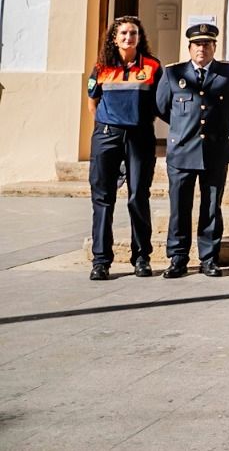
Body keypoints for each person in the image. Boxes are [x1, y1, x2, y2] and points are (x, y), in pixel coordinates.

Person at [155, 23, 229, 278]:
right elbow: (163, 107)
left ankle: (209, 257)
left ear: (214, 47)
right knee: (179, 207)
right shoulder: (173, 74)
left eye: (207, 44)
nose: (202, 49)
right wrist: (183, 128)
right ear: (189, 47)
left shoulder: (228, 73)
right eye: (197, 44)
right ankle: (178, 257)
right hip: (182, 150)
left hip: (215, 150)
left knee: (211, 207)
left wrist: (220, 128)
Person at [86, 15, 162, 281]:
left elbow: (160, 102)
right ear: (114, 38)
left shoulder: (153, 66)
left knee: (138, 196)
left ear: (139, 37)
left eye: (133, 33)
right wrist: (105, 128)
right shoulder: (101, 67)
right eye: (124, 34)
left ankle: (141, 258)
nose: (129, 38)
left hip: (140, 136)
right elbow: (93, 103)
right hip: (107, 136)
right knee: (103, 198)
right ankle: (101, 261)